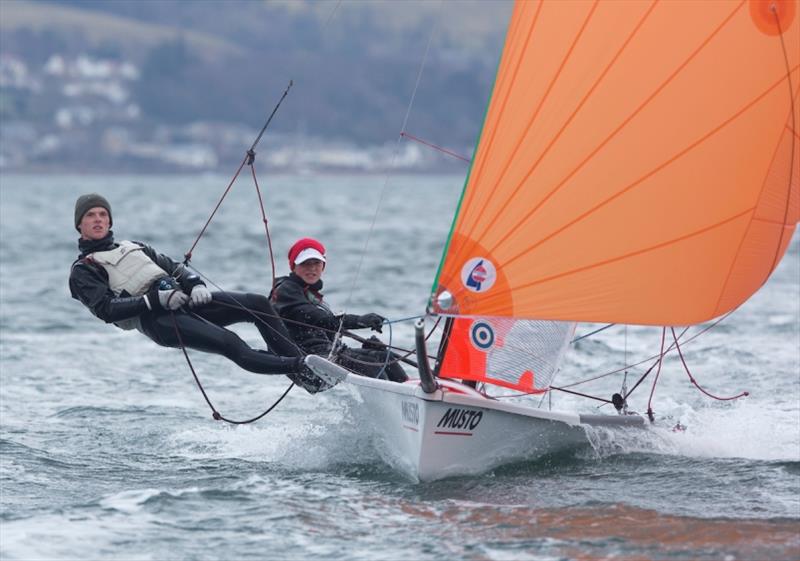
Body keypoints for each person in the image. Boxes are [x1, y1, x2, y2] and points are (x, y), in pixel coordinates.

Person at [68, 193, 330, 393]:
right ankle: (301, 367)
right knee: (231, 343)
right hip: (158, 321)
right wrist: (153, 300)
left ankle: (305, 369)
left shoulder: (134, 246)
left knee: (258, 304)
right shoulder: (84, 269)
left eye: (103, 214)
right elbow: (106, 310)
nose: (98, 219)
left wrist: (195, 285)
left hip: (183, 300)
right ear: (80, 224)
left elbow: (174, 268)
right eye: (91, 215)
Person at [270, 237, 408, 383]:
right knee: (373, 367)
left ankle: (411, 390)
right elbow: (318, 319)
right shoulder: (286, 290)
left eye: (316, 263)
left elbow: (323, 329)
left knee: (382, 356)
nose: (312, 268)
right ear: (293, 266)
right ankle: (389, 400)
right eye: (305, 263)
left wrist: (366, 346)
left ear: (323, 265)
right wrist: (359, 321)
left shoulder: (308, 292)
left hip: (331, 354)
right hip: (312, 364)